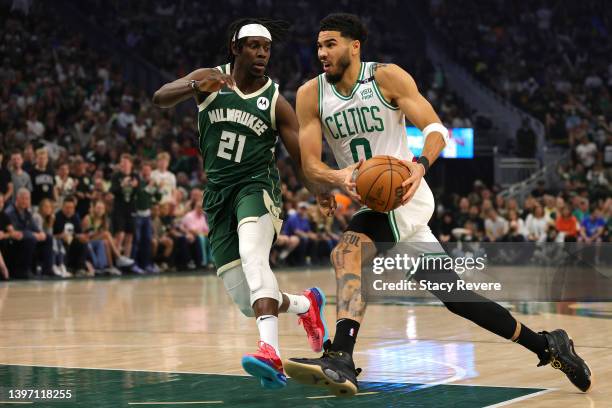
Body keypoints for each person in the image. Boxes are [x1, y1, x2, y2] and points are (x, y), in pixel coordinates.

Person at [285, 13, 591, 396]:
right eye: (318, 46)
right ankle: (549, 346)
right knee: (459, 299)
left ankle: (341, 356)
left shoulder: (386, 77)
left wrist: (420, 166)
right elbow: (310, 164)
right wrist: (333, 179)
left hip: (404, 194)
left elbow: (435, 129)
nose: (322, 53)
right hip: (374, 203)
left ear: (354, 45)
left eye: (330, 44)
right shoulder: (310, 94)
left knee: (346, 253)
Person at [152, 18, 331, 389]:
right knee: (248, 301)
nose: (261, 53)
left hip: (257, 188)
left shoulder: (277, 102)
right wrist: (192, 86)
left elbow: (300, 157)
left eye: (266, 48)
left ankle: (271, 354)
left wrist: (319, 187)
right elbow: (160, 98)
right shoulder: (210, 78)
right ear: (236, 48)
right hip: (218, 196)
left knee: (254, 256)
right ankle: (304, 305)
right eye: (253, 46)